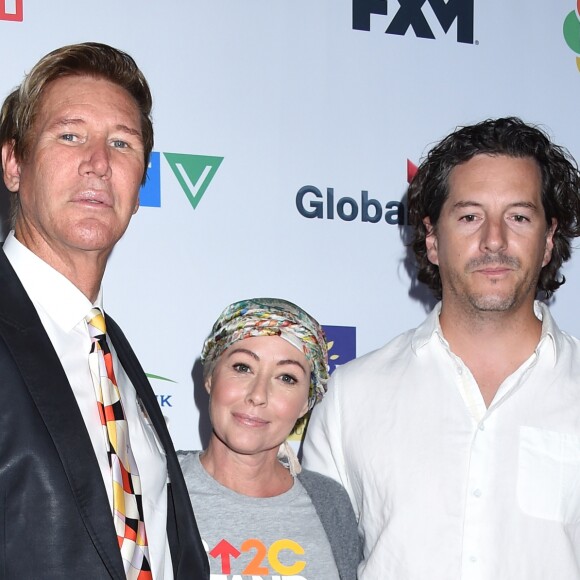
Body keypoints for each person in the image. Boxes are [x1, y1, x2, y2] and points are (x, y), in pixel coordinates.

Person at [303, 117, 580, 579]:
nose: (494, 240)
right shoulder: (351, 397)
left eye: (519, 216)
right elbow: (318, 565)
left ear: (549, 240)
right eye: (470, 216)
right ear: (432, 239)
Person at [0, 43, 208, 578]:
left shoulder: (111, 347)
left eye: (122, 143)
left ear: (140, 186)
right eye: (69, 135)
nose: (98, 163)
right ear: (13, 163)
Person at [178, 298, 360, 579]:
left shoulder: (330, 504)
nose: (258, 395)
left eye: (286, 378)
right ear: (211, 376)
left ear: (305, 403)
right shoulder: (152, 488)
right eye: (243, 367)